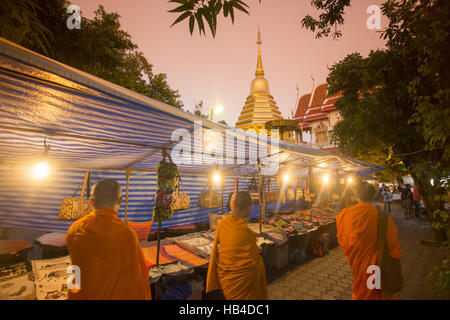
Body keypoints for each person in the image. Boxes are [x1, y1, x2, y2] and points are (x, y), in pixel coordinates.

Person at [66, 179, 151, 300]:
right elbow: (138, 276)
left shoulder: (75, 229)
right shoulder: (125, 234)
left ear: (91, 202)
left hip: (82, 295)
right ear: (120, 200)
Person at [336, 182, 402, 300]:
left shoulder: (344, 215)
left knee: (362, 291)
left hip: (359, 268)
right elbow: (394, 249)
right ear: (374, 195)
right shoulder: (382, 219)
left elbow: (343, 241)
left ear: (356, 196)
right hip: (379, 272)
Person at [206, 191, 268, 300]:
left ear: (233, 205)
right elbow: (251, 258)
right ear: (248, 208)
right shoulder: (248, 234)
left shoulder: (222, 224)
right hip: (246, 283)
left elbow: (220, 250)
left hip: (227, 281)